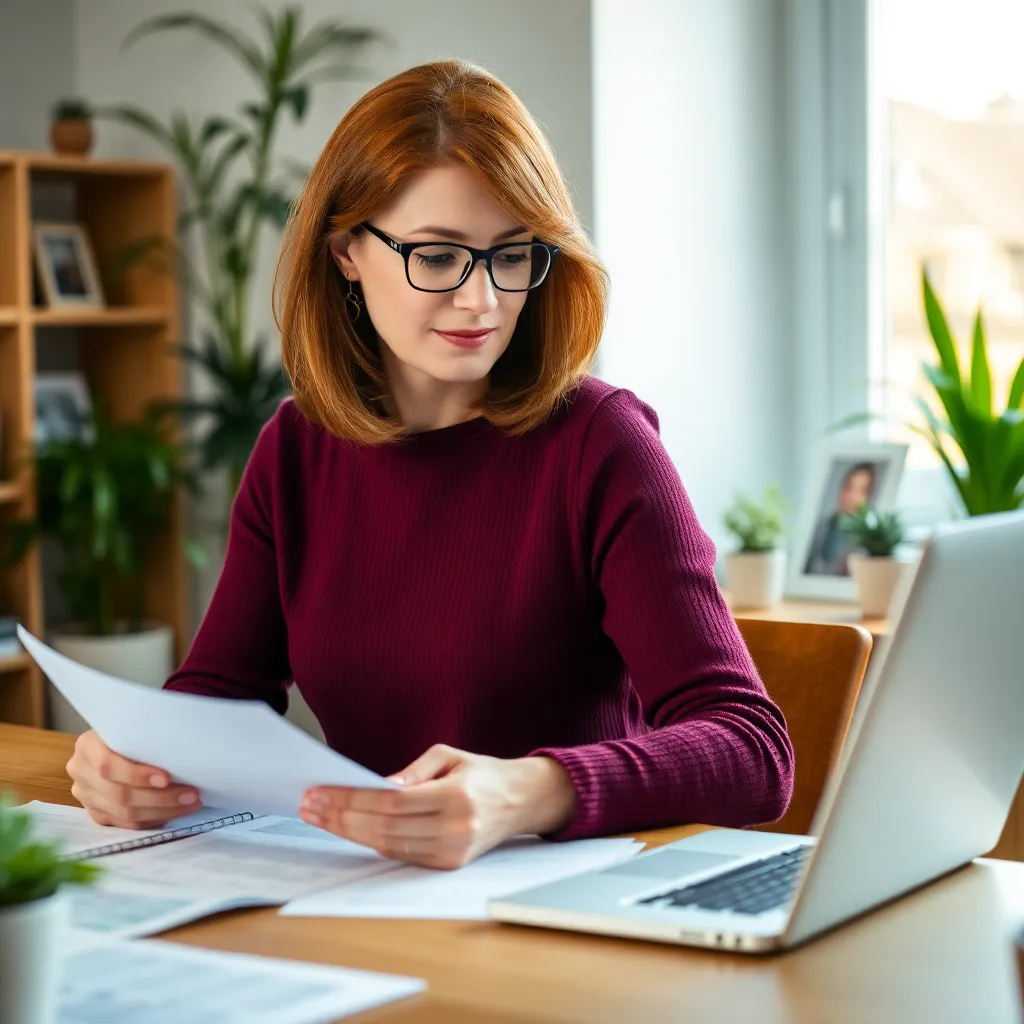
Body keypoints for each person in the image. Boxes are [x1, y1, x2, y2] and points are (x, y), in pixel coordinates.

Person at [66, 60, 794, 870]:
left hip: (564, 915)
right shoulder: (296, 450)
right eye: (439, 257)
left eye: (512, 255)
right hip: (368, 899)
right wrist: (133, 761)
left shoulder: (603, 444)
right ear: (346, 250)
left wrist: (526, 792)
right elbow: (218, 699)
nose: (482, 300)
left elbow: (752, 750)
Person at [803, 462, 879, 576]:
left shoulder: (868, 540)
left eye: (860, 491)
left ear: (868, 497)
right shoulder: (820, 527)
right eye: (849, 487)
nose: (852, 496)